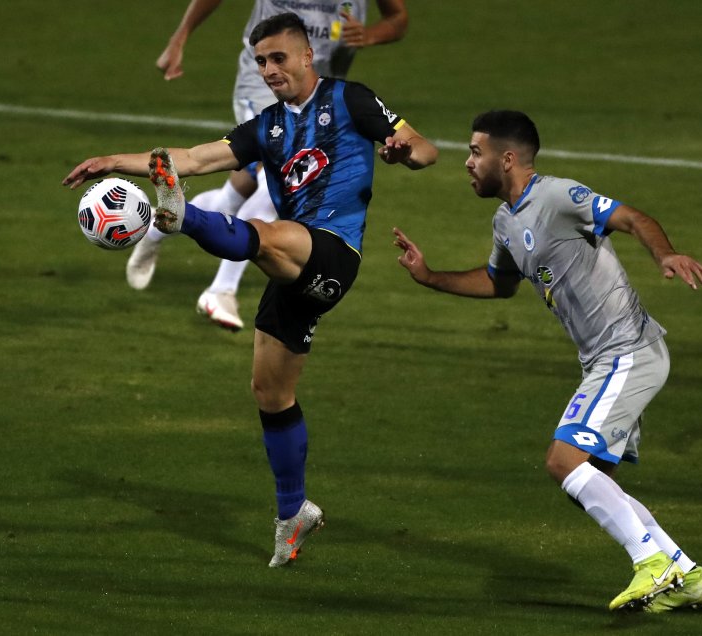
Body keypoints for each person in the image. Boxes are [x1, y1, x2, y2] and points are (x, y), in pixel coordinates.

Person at [66, 13, 436, 567]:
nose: (268, 70)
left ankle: (178, 219)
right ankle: (293, 512)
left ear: (307, 55)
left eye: (278, 58)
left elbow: (425, 149)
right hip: (294, 267)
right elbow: (192, 159)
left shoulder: (351, 99)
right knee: (270, 392)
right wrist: (114, 161)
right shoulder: (267, 127)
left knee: (262, 235)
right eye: (260, 61)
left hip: (332, 250)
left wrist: (403, 151)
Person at [393, 110, 702, 612]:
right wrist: (430, 276)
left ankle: (652, 565)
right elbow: (499, 284)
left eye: (476, 152)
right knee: (589, 479)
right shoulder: (506, 220)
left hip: (628, 350)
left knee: (563, 461)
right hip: (603, 361)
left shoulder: (558, 196)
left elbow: (632, 218)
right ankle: (684, 571)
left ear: (508, 158)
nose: (468, 163)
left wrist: (664, 254)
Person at [127, 0, 409, 332]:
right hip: (262, 86)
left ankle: (159, 225)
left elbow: (397, 17)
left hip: (319, 96)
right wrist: (181, 36)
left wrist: (371, 34)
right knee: (278, 184)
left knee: (236, 193)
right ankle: (220, 291)